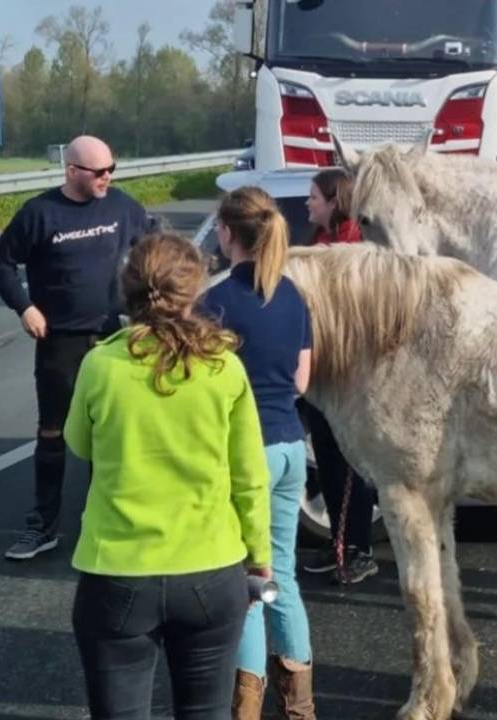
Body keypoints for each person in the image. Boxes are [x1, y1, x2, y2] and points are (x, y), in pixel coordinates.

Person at [65, 232, 272, 719]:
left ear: (128, 289)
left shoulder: (101, 364)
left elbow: (78, 443)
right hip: (210, 567)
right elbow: (249, 475)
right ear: (195, 290)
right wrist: (259, 554)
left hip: (117, 570)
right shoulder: (222, 366)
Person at [0, 135, 147, 560]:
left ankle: (106, 523)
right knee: (53, 434)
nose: (107, 177)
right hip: (61, 341)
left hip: (113, 336)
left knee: (110, 434)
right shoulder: (40, 213)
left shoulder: (123, 206)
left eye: (112, 169)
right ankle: (43, 527)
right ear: (72, 171)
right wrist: (25, 307)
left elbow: (153, 252)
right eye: (99, 172)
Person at [200, 187, 315, 719]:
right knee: (283, 575)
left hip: (247, 453)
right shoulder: (292, 295)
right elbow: (301, 378)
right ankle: (301, 707)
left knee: (247, 584)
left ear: (226, 234)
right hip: (291, 444)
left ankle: (246, 707)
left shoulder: (217, 302)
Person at [299, 168, 378, 584]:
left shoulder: (352, 249)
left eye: (313, 196)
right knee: (329, 461)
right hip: (320, 375)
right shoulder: (321, 241)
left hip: (345, 376)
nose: (307, 203)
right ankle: (340, 545)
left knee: (349, 465)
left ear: (334, 201)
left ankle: (358, 550)